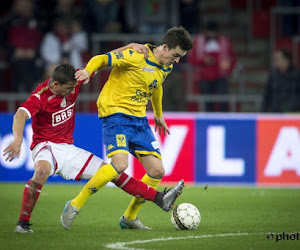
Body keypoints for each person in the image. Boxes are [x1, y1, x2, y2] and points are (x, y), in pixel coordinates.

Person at [3, 44, 184, 234]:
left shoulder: (74, 81)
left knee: (113, 172)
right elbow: (19, 116)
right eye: (68, 89)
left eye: (74, 88)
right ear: (55, 85)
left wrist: (130, 46)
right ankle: (22, 223)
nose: (73, 92)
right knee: (41, 171)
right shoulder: (40, 97)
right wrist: (17, 139)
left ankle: (159, 198)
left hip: (68, 149)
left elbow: (105, 58)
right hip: (45, 145)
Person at [75, 26, 193, 229]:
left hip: (139, 120)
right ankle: (76, 203)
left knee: (157, 170)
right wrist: (88, 70)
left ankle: (129, 218)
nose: (177, 60)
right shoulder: (136, 54)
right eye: (175, 55)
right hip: (116, 114)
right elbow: (102, 59)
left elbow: (157, 86)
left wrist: (158, 114)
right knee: (120, 165)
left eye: (180, 57)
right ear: (164, 47)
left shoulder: (166, 66)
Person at [188, 20, 237, 112]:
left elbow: (233, 58)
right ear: (205, 31)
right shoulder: (198, 41)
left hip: (221, 76)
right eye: (209, 32)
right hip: (204, 77)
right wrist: (203, 60)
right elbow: (191, 59)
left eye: (214, 32)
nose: (212, 34)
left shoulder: (225, 41)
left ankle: (224, 120)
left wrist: (229, 68)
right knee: (207, 102)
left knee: (223, 100)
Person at [261, 48, 300, 113]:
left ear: (286, 60)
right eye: (275, 59)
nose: (275, 61)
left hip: (293, 113)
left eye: (277, 59)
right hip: (276, 112)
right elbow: (267, 94)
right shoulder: (273, 75)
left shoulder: (297, 75)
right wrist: (264, 111)